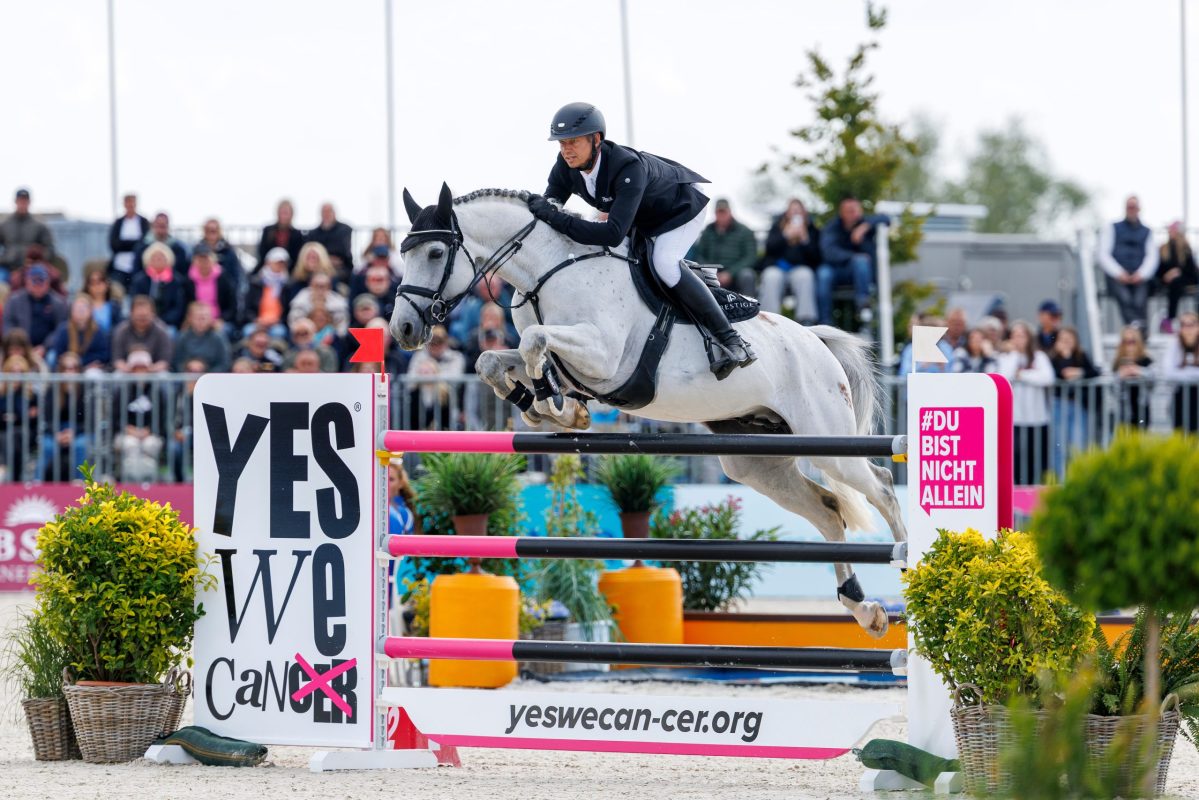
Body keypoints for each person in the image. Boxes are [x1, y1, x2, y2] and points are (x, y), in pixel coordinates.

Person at [527, 102, 754, 379]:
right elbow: (553, 202)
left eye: (573, 141)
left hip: (680, 209)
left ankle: (731, 340)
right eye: (561, 143)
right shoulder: (566, 165)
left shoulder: (626, 167)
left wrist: (556, 216)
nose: (566, 150)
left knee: (663, 263)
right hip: (642, 214)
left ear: (596, 139)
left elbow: (611, 234)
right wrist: (546, 209)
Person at [995, 320, 1055, 485]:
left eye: (1021, 335)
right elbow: (1004, 377)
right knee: (1017, 460)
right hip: (1016, 419)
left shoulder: (1039, 356)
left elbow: (1047, 377)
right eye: (1014, 335)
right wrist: (1014, 356)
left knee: (1038, 461)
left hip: (1037, 418)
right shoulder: (1006, 357)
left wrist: (1023, 376)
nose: (1017, 339)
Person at [817, 195, 889, 327]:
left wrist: (865, 226)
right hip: (835, 269)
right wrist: (851, 256)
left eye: (856, 210)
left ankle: (863, 306)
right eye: (850, 210)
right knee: (823, 274)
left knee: (861, 261)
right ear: (842, 212)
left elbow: (886, 218)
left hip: (857, 272)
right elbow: (828, 252)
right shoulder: (832, 227)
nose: (854, 214)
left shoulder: (865, 223)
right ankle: (824, 321)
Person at [1096, 195, 1158, 329]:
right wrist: (1119, 273)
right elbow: (1103, 254)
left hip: (1139, 277)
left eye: (1134, 207)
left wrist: (1141, 274)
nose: (1131, 210)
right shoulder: (1112, 228)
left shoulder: (1147, 232)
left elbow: (1152, 257)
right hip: (1117, 276)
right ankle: (1137, 328)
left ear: (1139, 209)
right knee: (1125, 298)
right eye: (1129, 207)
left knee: (1139, 300)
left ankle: (1136, 330)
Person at [1047, 326, 1099, 477]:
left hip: (1077, 405)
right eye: (1063, 340)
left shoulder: (1081, 356)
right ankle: (1059, 480)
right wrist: (1064, 358)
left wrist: (1079, 372)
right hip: (1059, 404)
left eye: (1069, 340)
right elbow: (1054, 374)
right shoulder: (1053, 357)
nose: (1066, 343)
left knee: (1077, 444)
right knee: (1059, 445)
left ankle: (1077, 477)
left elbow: (1094, 372)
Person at [759, 198, 820, 322]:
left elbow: (816, 257)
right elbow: (769, 249)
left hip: (799, 269)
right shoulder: (777, 228)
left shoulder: (812, 230)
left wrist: (805, 239)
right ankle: (768, 319)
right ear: (787, 213)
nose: (796, 213)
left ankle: (806, 320)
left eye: (799, 211)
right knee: (771, 276)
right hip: (778, 268)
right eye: (793, 210)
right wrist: (785, 235)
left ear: (804, 213)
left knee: (805, 276)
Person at [38, 352, 92, 482]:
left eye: (73, 368)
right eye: (66, 368)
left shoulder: (86, 391)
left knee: (80, 446)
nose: (70, 372)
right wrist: (56, 433)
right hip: (56, 430)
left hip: (80, 430)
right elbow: (47, 419)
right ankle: (37, 482)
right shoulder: (53, 390)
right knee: (47, 446)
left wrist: (74, 432)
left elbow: (90, 420)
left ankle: (81, 483)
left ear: (79, 370)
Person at [114, 348, 165, 482]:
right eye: (137, 369)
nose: (140, 373)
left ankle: (148, 484)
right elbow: (115, 419)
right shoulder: (122, 390)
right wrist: (130, 430)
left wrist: (148, 431)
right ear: (131, 370)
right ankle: (130, 484)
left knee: (150, 445)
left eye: (143, 369)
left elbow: (162, 418)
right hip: (126, 433)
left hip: (151, 433)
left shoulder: (156, 391)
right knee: (131, 446)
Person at [688, 199, 759, 294]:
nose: (722, 216)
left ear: (730, 212)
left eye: (724, 212)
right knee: (694, 275)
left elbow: (750, 257)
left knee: (747, 275)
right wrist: (711, 273)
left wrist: (730, 273)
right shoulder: (708, 231)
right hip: (712, 273)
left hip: (736, 274)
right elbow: (700, 255)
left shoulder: (745, 231)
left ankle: (750, 306)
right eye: (719, 212)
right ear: (715, 213)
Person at [405, 325, 464, 430]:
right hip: (422, 401)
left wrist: (430, 374)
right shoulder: (419, 356)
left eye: (439, 341)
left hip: (445, 400)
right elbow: (410, 381)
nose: (435, 344)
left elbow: (455, 380)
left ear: (446, 342)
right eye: (432, 341)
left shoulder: (455, 356)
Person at [3, 263, 68, 352]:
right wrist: (21, 346)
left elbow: (60, 329)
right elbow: (7, 326)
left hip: (48, 349)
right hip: (20, 348)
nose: (37, 286)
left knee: (52, 358)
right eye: (34, 282)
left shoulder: (58, 303)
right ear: (27, 281)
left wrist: (45, 347)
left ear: (48, 282)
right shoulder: (14, 301)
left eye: (41, 282)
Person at [131, 242, 188, 330]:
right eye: (154, 258)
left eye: (161, 258)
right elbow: (136, 302)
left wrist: (163, 321)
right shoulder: (140, 280)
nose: (157, 260)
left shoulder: (176, 281)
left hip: (168, 323)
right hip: (143, 322)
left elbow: (178, 308)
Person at [184, 242, 239, 333]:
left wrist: (221, 320)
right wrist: (190, 319)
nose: (203, 263)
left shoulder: (223, 278)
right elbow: (185, 303)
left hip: (218, 319)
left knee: (223, 331)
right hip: (194, 319)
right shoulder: (188, 280)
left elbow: (232, 306)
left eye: (206, 259)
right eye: (200, 259)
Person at [45, 294, 111, 370]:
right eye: (77, 309)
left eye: (83, 309)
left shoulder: (98, 330)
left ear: (90, 311)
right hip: (68, 367)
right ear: (72, 311)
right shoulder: (64, 330)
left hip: (90, 366)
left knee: (93, 373)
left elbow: (103, 354)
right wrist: (69, 360)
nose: (80, 312)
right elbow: (58, 352)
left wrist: (80, 362)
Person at [0, 188, 55, 276]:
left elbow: (50, 249)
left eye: (25, 201)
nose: (22, 204)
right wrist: (4, 259)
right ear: (16, 202)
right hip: (8, 267)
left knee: (40, 280)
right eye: (20, 201)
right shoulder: (4, 225)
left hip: (32, 269)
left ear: (29, 202)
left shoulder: (39, 225)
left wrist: (38, 259)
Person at [112, 295, 173, 372]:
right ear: (131, 314)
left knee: (164, 376)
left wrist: (148, 370)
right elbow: (117, 359)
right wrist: (132, 370)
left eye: (145, 316)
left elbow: (165, 361)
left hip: (154, 372)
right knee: (117, 375)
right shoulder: (121, 331)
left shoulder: (162, 331)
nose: (142, 319)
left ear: (153, 314)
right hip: (127, 372)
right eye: (139, 316)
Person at [1156, 221, 1198, 333]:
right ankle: (1169, 319)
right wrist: (1166, 275)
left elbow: (1191, 271)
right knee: (1173, 283)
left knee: (1176, 282)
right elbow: (1159, 270)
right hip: (1168, 281)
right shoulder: (1163, 249)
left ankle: (1170, 318)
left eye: (1173, 229)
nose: (1171, 232)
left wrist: (1176, 272)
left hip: (1185, 279)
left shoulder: (1186, 249)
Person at [0, 353, 36, 481]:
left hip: (24, 434)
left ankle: (5, 470)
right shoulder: (2, 393)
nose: (16, 376)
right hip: (4, 433)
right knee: (7, 437)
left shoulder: (31, 395)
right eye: (12, 371)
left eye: (19, 372)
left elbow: (30, 420)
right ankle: (13, 476)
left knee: (15, 435)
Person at [243, 246, 293, 338]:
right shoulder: (256, 283)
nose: (279, 266)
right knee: (248, 331)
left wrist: (278, 321)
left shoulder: (287, 285)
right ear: (268, 263)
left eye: (282, 263)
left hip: (277, 323)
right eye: (277, 263)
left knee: (279, 333)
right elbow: (247, 308)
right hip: (257, 322)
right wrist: (256, 320)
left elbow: (288, 310)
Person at [1162, 311, 1199, 433]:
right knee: (1180, 434)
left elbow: (1174, 372)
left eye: (1192, 324)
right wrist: (1193, 373)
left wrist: (1182, 372)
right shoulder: (1174, 343)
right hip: (1179, 397)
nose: (1188, 329)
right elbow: (1168, 372)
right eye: (1184, 325)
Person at [1111, 324, 1153, 429]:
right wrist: (1119, 375)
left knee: (1142, 439)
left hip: (1142, 410)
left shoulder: (1146, 360)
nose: (1129, 346)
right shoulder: (1117, 362)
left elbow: (1154, 381)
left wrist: (1139, 371)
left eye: (1132, 342)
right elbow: (1111, 387)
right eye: (1126, 342)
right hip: (1122, 411)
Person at [130, 213, 190, 283]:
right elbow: (136, 272)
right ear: (153, 227)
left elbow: (182, 274)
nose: (160, 230)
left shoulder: (178, 250)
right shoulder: (141, 248)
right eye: (158, 226)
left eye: (163, 226)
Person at [173, 302, 232, 373]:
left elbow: (225, 363)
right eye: (198, 317)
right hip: (186, 378)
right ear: (190, 318)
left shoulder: (218, 338)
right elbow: (176, 362)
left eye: (204, 317)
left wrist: (206, 372)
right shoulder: (182, 337)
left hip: (212, 378)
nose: (201, 321)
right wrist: (187, 367)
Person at [108, 193, 150, 289]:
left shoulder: (143, 222)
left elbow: (144, 243)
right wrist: (134, 243)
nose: (130, 205)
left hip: (139, 265)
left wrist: (124, 244)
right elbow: (114, 244)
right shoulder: (118, 222)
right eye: (128, 202)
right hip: (120, 266)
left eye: (132, 202)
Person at [305, 203, 354, 281]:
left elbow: (342, 251)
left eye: (329, 211)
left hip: (340, 270)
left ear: (334, 213)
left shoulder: (344, 229)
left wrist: (322, 257)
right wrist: (326, 260)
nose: (326, 214)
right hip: (317, 269)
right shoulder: (313, 233)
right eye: (324, 212)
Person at [196, 217, 245, 289]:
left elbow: (236, 275)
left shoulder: (229, 251)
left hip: (224, 292)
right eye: (208, 230)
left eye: (213, 230)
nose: (211, 233)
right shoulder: (197, 251)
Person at [257, 199, 305, 270]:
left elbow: (297, 256)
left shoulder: (297, 234)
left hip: (289, 269)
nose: (284, 216)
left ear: (291, 214)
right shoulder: (268, 230)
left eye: (286, 213)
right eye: (282, 212)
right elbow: (262, 252)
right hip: (269, 267)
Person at [83, 262, 125, 334]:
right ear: (87, 286)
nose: (97, 286)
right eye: (92, 283)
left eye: (100, 282)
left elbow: (119, 328)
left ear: (106, 284)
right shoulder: (82, 306)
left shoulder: (115, 307)